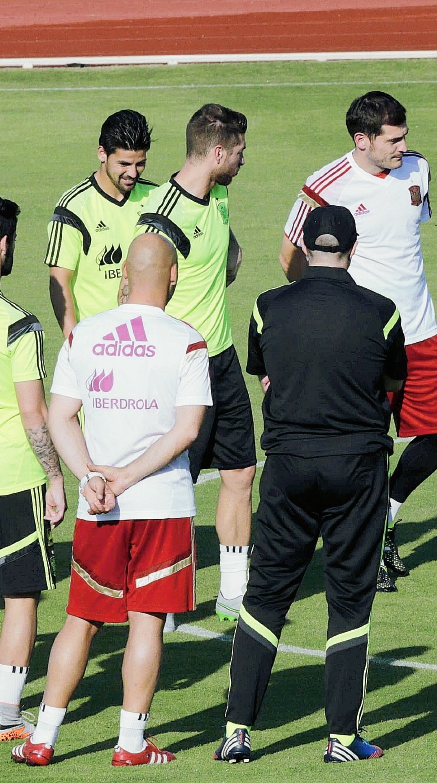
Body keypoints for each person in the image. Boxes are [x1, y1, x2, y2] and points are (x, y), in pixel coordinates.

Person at [217, 206, 405, 763]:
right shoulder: (382, 312)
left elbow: (263, 369)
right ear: (352, 248)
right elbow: (393, 380)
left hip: (288, 468)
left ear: (303, 244)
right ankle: (342, 740)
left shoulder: (267, 307)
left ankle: (236, 734)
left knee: (266, 596)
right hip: (357, 468)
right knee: (349, 600)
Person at [14, 234, 210, 766]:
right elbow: (187, 430)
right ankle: (130, 744)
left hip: (96, 508)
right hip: (161, 505)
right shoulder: (187, 341)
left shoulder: (85, 336)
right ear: (172, 277)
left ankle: (42, 738)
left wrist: (89, 477)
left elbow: (59, 417)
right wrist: (124, 478)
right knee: (147, 621)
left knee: (81, 618)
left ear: (124, 274)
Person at [279, 91, 437, 592]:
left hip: (421, 332)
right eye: (393, 139)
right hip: (360, 339)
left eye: (405, 135)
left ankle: (386, 514)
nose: (404, 146)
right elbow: (290, 257)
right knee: (366, 447)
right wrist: (319, 312)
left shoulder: (418, 171)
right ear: (362, 140)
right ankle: (364, 552)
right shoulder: (324, 187)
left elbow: (404, 239)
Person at [134, 104, 256, 620]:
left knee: (241, 471)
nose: (245, 161)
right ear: (218, 151)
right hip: (179, 368)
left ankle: (234, 590)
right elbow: (137, 294)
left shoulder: (221, 193)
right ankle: (156, 586)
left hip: (222, 360)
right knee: (171, 483)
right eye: (241, 152)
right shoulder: (162, 218)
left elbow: (227, 257)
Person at [0, 199, 66, 743]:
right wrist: (57, 476)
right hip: (13, 479)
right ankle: (4, 713)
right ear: (3, 246)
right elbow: (33, 413)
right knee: (20, 596)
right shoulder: (18, 326)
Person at [46, 110, 157, 336]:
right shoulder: (73, 208)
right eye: (124, 164)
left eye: (140, 164)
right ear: (102, 154)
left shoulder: (157, 198)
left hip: (150, 343)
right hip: (98, 344)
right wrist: (73, 342)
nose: (132, 173)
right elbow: (60, 283)